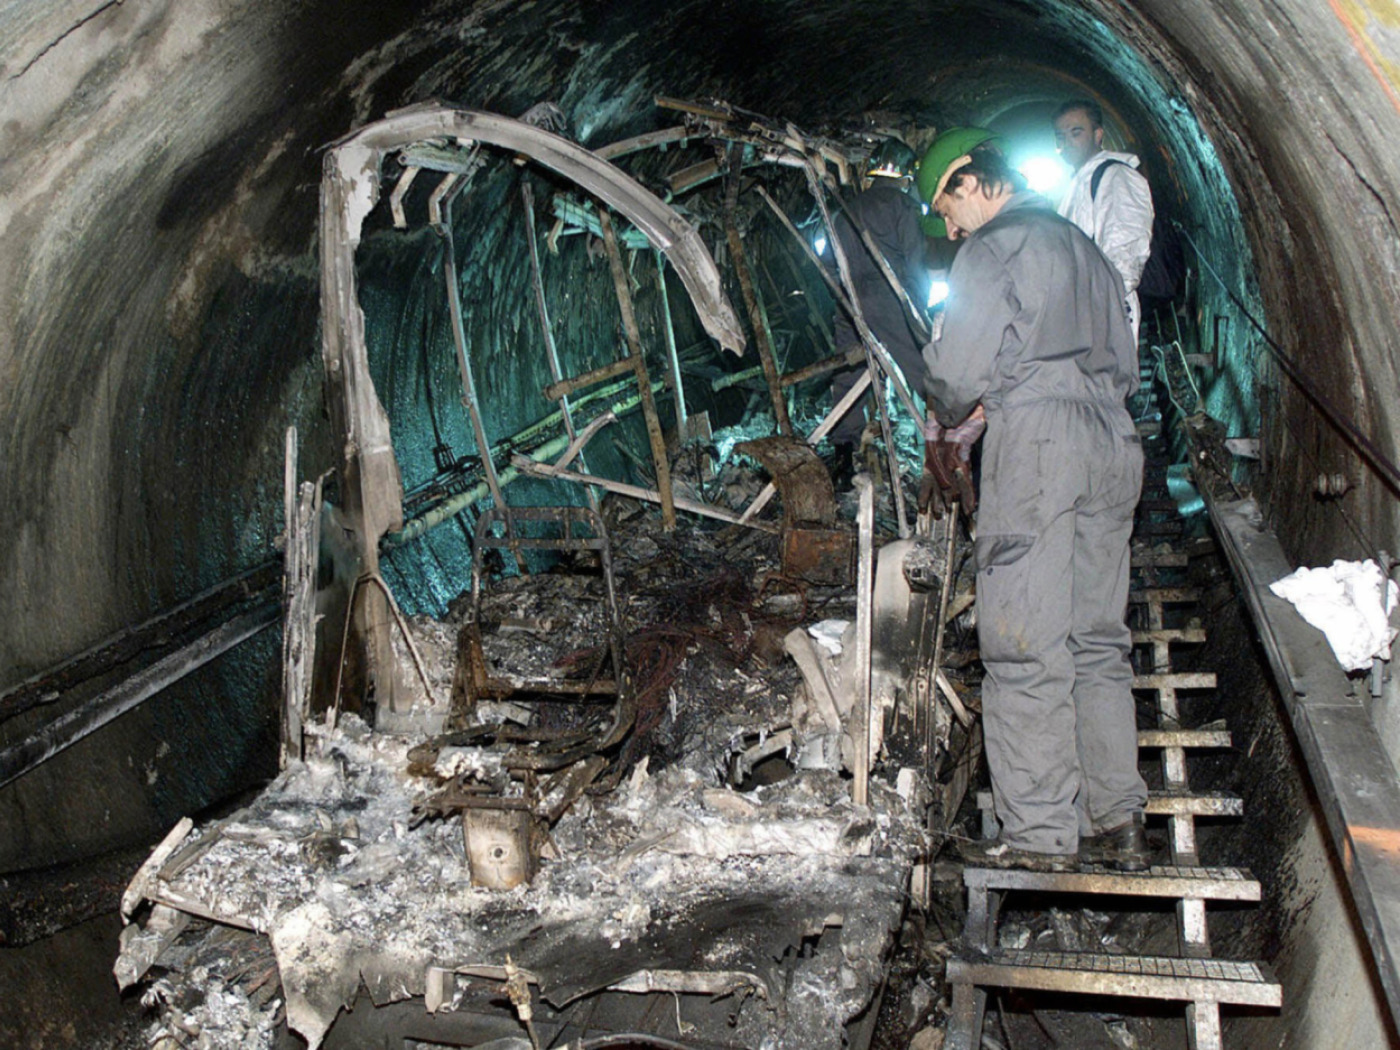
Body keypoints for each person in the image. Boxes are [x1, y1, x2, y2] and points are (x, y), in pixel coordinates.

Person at [920, 143, 1150, 873]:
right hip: (1115, 440)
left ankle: (1041, 833)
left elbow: (957, 375)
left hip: (1042, 443)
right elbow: (1128, 354)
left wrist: (940, 399)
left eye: (948, 207)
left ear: (973, 180)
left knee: (1024, 639)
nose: (951, 228)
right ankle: (1118, 818)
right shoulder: (1087, 250)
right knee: (1097, 639)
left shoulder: (994, 247)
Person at [826, 138, 931, 485]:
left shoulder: (845, 209)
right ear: (907, 175)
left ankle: (843, 455)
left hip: (849, 298)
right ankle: (949, 439)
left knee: (849, 370)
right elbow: (915, 261)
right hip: (889, 295)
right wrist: (920, 307)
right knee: (923, 368)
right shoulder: (903, 205)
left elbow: (829, 261)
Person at [1053, 99, 1154, 341]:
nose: (1066, 142)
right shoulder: (1078, 181)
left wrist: (1102, 308)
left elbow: (1126, 250)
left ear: (1098, 135)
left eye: (1076, 132)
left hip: (1103, 313)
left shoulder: (1116, 176)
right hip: (1080, 311)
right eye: (1060, 136)